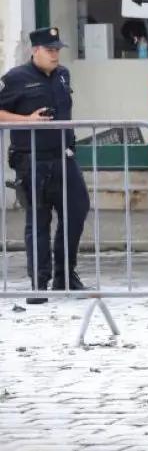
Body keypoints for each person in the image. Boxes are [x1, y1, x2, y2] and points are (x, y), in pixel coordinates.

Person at [0, 27, 91, 305]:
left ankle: (66, 273)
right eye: (49, 50)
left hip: (64, 155)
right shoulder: (15, 78)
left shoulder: (63, 75)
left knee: (77, 210)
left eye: (57, 50)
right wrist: (25, 119)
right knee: (38, 221)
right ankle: (39, 283)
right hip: (32, 160)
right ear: (35, 50)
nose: (55, 55)